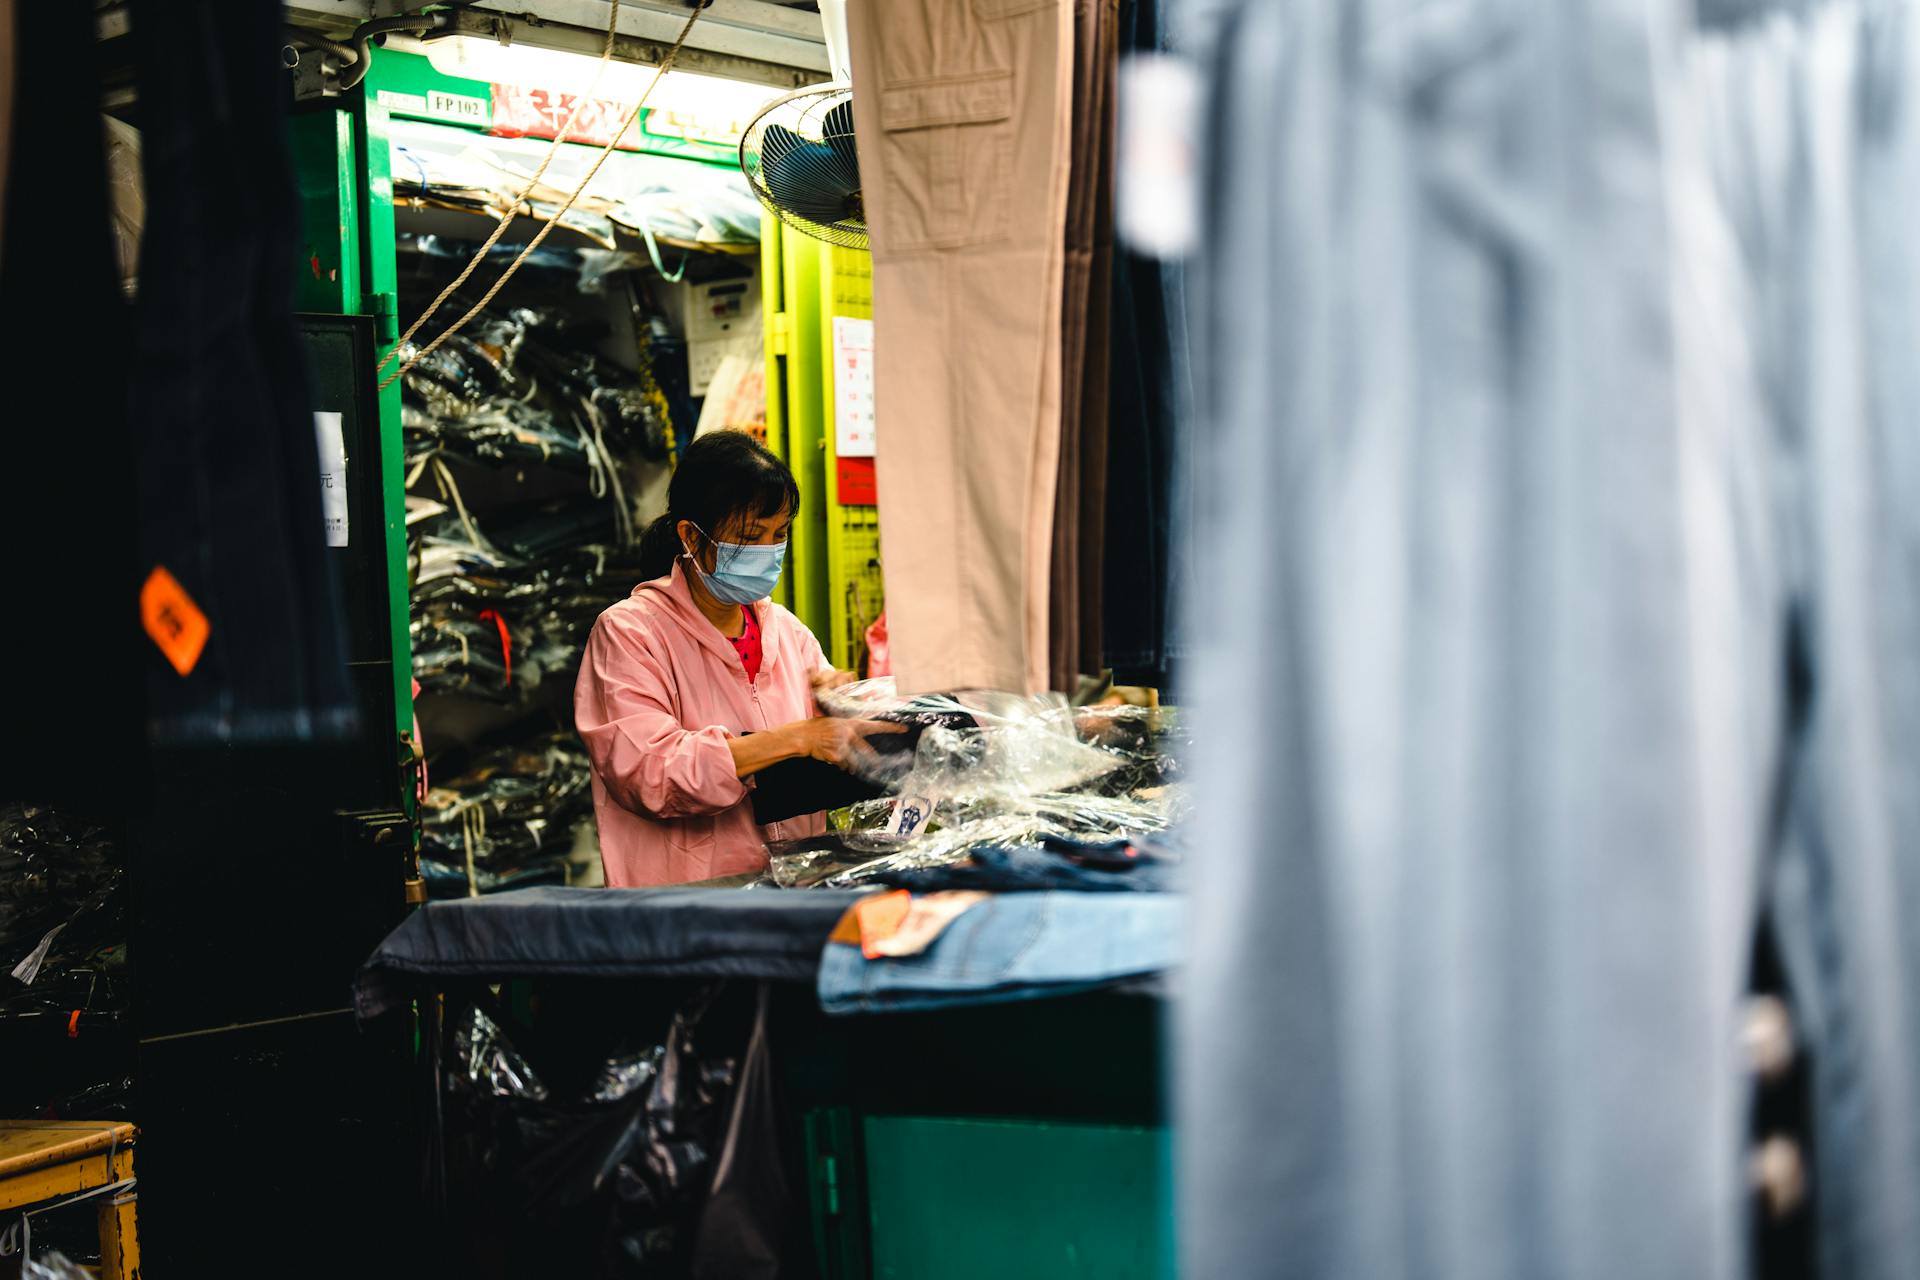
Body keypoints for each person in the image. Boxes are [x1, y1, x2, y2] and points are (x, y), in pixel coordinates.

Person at [575, 431, 902, 886]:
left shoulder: (785, 631)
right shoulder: (630, 635)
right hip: (683, 905)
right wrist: (796, 738)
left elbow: (828, 734)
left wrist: (849, 712)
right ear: (691, 535)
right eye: (750, 536)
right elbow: (649, 773)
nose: (768, 550)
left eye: (779, 534)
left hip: (788, 893)